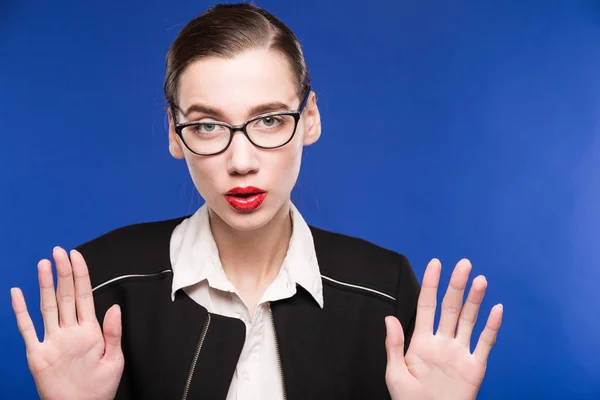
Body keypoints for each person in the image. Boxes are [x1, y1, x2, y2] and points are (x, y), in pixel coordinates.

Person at [10, 3, 503, 399]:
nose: (241, 160)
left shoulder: (384, 289)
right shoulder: (101, 281)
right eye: (207, 125)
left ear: (309, 117)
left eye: (268, 120)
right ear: (174, 134)